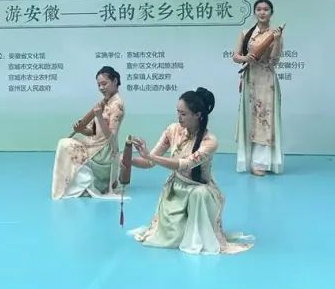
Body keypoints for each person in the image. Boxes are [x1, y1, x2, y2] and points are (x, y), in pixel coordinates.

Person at [128, 88, 253, 255]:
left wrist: (150, 156)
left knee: (199, 194)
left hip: (199, 190)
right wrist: (129, 160)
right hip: (176, 190)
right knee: (171, 238)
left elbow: (184, 164)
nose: (179, 117)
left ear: (198, 115)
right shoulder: (172, 130)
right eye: (178, 112)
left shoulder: (210, 141)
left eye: (183, 114)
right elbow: (149, 162)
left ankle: (199, 234)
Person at [51, 66, 126, 199]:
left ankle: (84, 185)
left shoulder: (117, 105)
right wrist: (81, 129)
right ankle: (71, 185)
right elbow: (93, 131)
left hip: (104, 152)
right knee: (64, 143)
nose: (101, 88)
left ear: (115, 81)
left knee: (65, 144)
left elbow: (111, 137)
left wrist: (99, 116)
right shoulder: (104, 102)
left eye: (104, 84)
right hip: (94, 145)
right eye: (99, 85)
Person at [232, 0, 284, 175]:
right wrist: (246, 58)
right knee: (251, 119)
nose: (262, 12)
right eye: (259, 9)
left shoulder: (275, 34)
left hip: (267, 81)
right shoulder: (246, 33)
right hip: (250, 79)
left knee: (265, 119)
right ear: (254, 12)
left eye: (266, 9)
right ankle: (248, 160)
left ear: (271, 13)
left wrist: (276, 40)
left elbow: (274, 61)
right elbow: (235, 56)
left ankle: (261, 162)